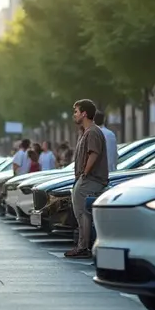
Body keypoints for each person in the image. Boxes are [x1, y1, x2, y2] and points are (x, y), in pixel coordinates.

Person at [65, 99, 109, 259]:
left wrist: (84, 173)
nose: (74, 115)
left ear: (84, 113)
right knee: (80, 211)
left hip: (91, 179)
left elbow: (94, 153)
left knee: (83, 212)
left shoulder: (92, 132)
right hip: (85, 178)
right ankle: (82, 245)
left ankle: (83, 247)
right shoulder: (85, 132)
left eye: (76, 112)